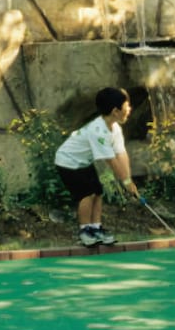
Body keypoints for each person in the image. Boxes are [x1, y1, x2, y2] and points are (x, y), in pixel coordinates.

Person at [54, 87, 140, 246]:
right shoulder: (98, 131)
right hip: (67, 161)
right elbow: (111, 160)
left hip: (82, 162)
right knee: (86, 194)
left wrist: (129, 180)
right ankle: (85, 231)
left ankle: (96, 228)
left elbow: (121, 154)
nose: (129, 109)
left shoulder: (115, 128)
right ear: (115, 111)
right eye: (126, 106)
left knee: (98, 192)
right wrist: (126, 183)